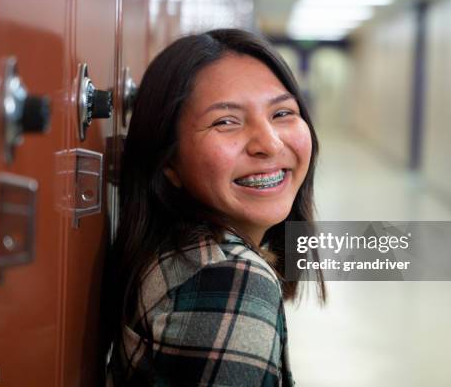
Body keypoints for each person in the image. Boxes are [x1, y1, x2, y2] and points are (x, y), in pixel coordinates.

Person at [103, 28, 325, 386]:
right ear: (168, 162)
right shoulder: (229, 278)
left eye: (282, 113)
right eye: (225, 121)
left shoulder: (178, 251)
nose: (268, 144)